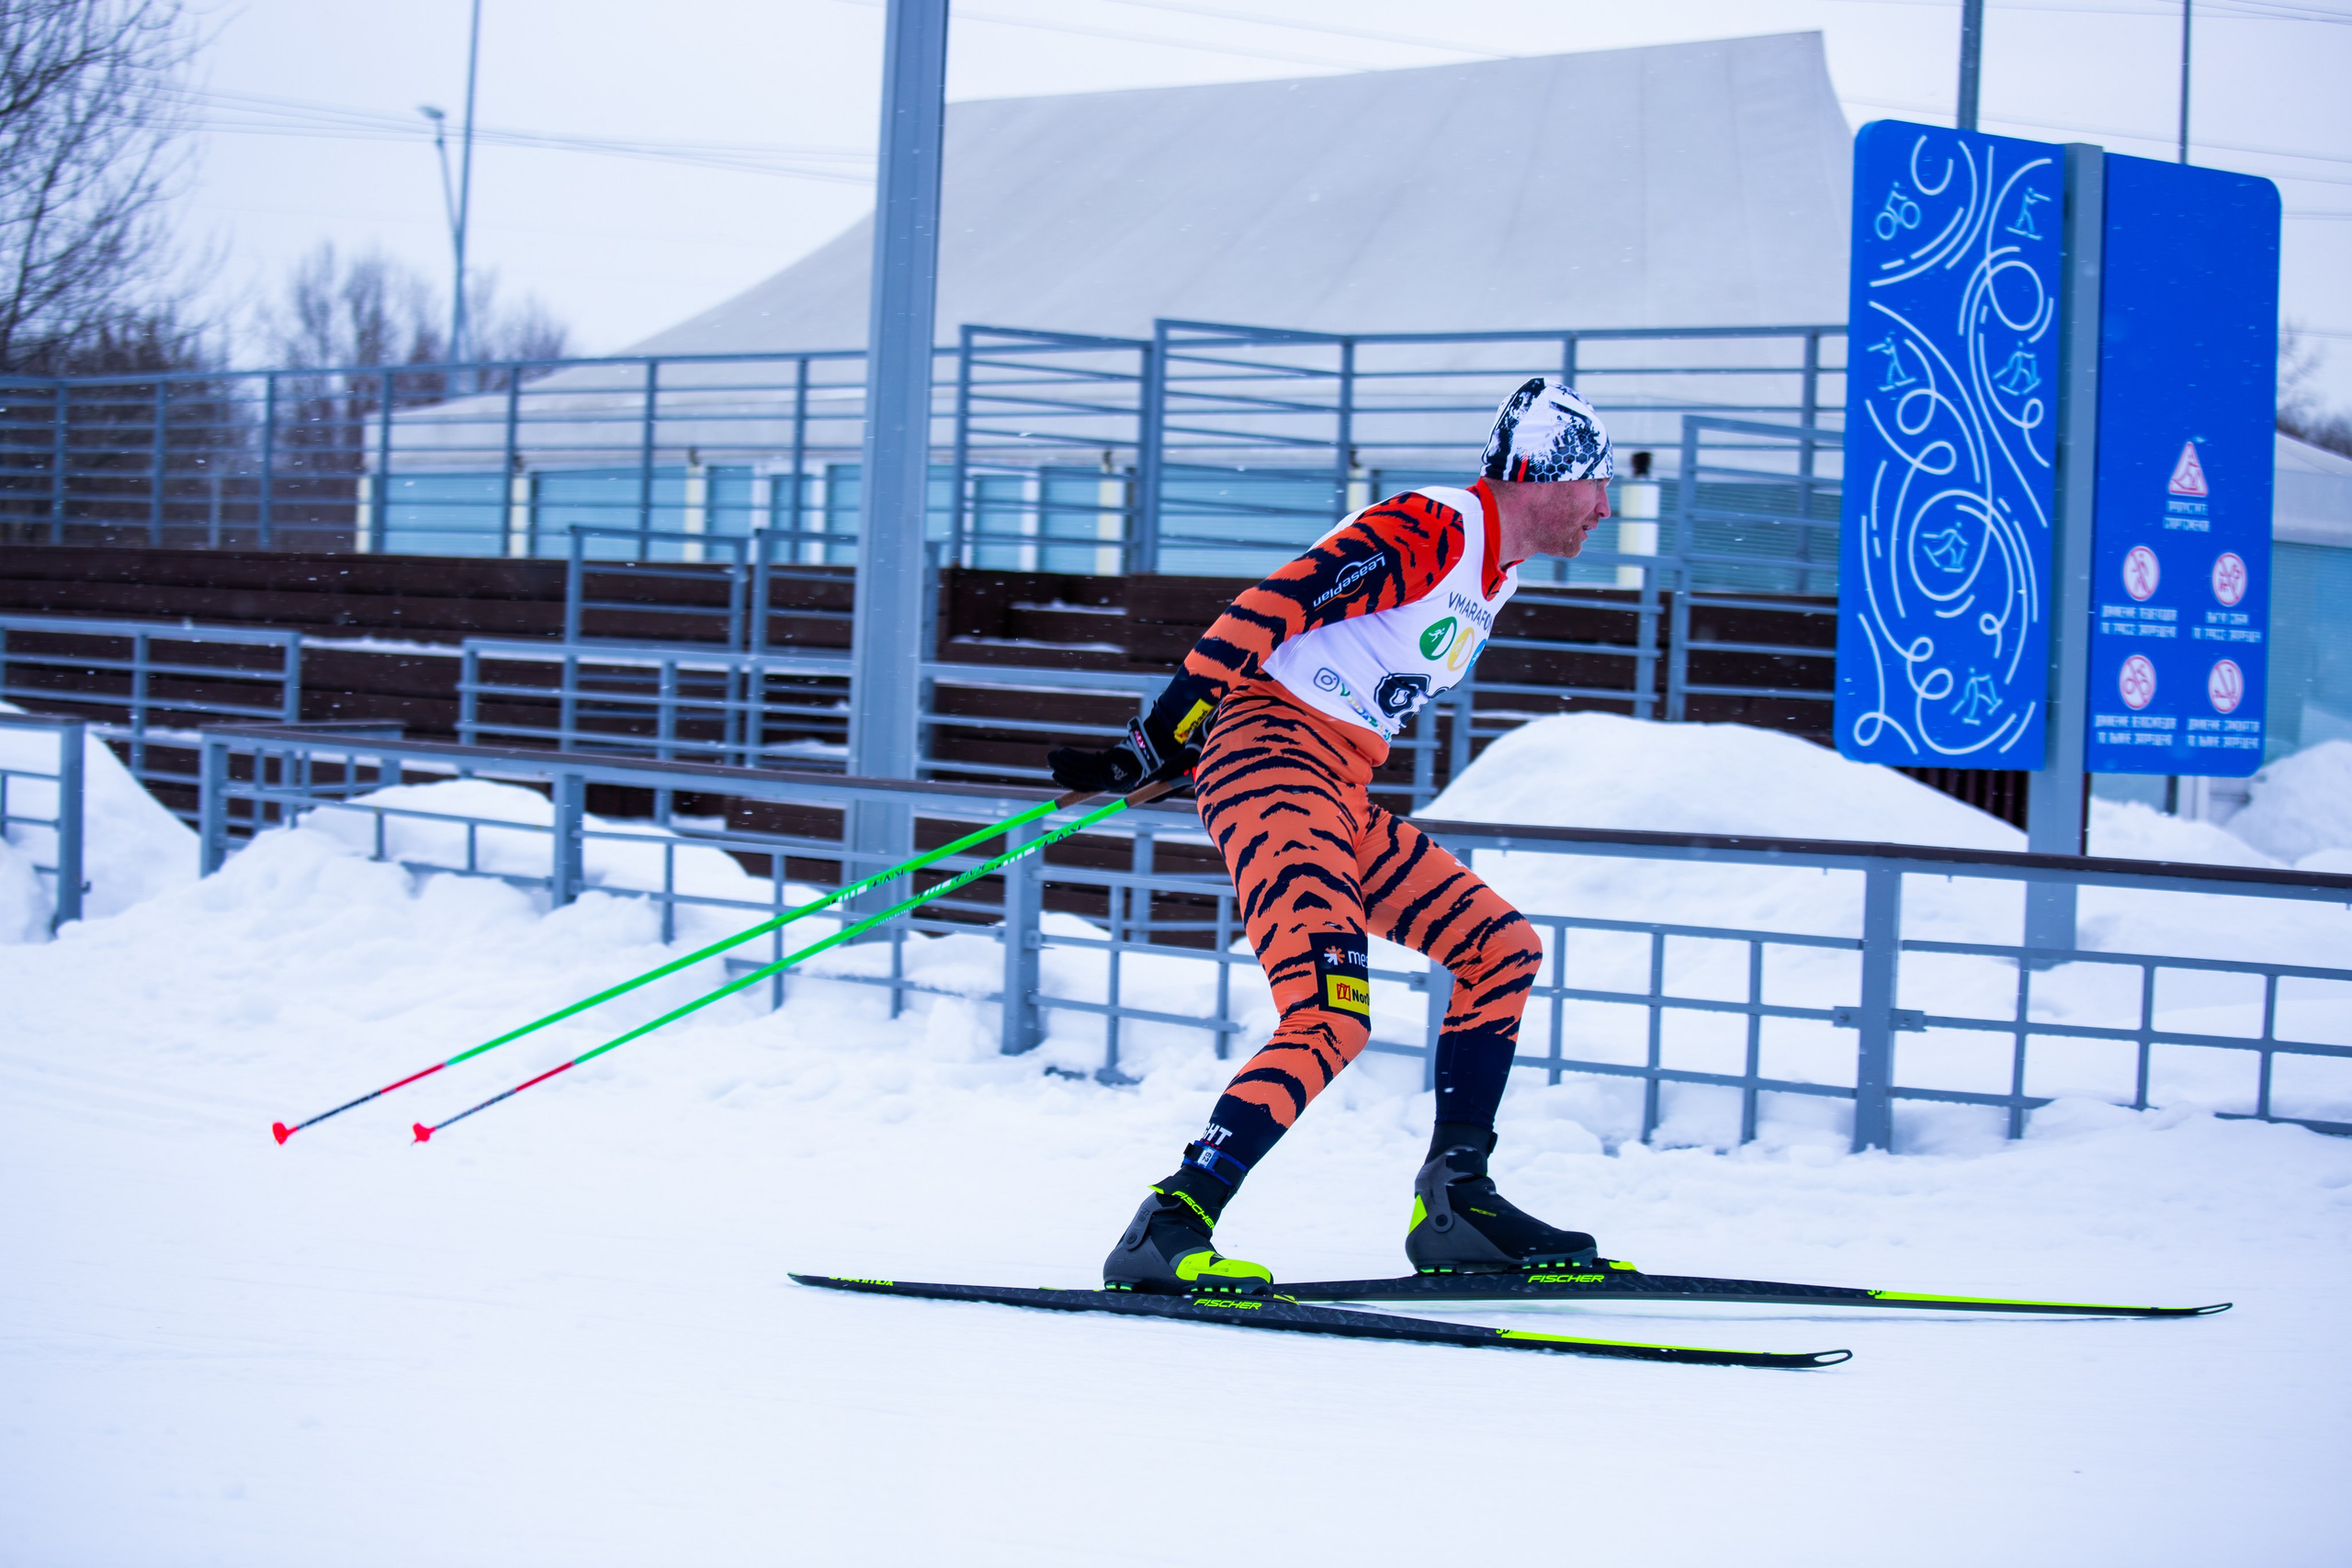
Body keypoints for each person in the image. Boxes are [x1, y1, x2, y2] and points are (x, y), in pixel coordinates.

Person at [1048, 377, 1617, 1295]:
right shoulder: (1438, 527)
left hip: (1331, 785)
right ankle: (1170, 1221)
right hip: (1273, 764)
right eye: (1595, 485)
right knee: (1330, 1012)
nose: (1601, 508)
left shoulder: (1494, 570)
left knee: (1499, 949)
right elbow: (1269, 606)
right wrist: (1167, 726)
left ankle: (1457, 1200)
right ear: (1545, 478)